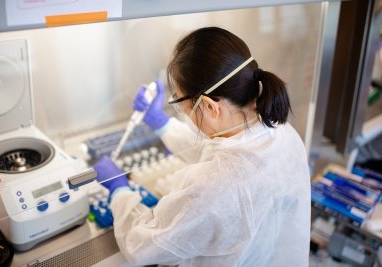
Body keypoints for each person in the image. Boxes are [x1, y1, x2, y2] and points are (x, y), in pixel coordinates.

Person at [94, 27, 311, 266]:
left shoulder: (213, 187)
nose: (184, 113)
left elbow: (142, 247)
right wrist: (162, 125)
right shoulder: (280, 132)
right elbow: (221, 155)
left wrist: (120, 192)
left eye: (180, 103)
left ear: (209, 106)